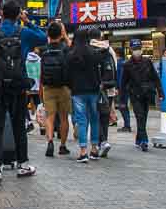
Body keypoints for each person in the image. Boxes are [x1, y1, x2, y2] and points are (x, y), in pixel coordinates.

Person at [0, 0, 48, 185]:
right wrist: (28, 20)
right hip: (18, 86)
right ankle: (23, 164)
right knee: (19, 126)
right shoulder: (24, 33)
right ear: (18, 15)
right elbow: (44, 38)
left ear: (1, 13)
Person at [121, 38, 164, 151]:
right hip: (135, 95)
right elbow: (123, 83)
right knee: (139, 116)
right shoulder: (127, 65)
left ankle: (138, 139)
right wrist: (122, 100)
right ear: (131, 50)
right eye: (135, 49)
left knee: (143, 117)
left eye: (139, 49)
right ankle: (144, 140)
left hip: (146, 94)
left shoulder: (147, 62)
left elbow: (155, 78)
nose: (137, 51)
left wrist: (160, 92)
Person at [67, 29, 103, 163]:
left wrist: (71, 86)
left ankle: (83, 151)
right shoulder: (94, 52)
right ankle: (94, 149)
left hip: (78, 92)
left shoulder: (71, 54)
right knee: (94, 119)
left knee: (82, 121)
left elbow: (67, 74)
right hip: (93, 90)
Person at [41, 21, 71, 157]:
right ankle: (63, 146)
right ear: (61, 34)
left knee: (50, 116)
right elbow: (73, 49)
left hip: (48, 87)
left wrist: (41, 89)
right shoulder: (65, 48)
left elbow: (41, 72)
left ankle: (50, 141)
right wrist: (65, 36)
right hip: (63, 87)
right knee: (64, 117)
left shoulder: (44, 50)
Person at [90, 28, 117, 157]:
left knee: (94, 116)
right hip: (108, 89)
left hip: (94, 88)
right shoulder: (109, 49)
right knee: (104, 117)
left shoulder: (89, 49)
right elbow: (115, 68)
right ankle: (104, 142)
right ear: (100, 36)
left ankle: (102, 142)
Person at [115, 50, 132, 132]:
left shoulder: (119, 63)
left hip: (122, 89)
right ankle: (127, 124)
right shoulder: (126, 62)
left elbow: (120, 77)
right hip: (127, 88)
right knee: (124, 106)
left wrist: (118, 88)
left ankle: (127, 125)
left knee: (123, 107)